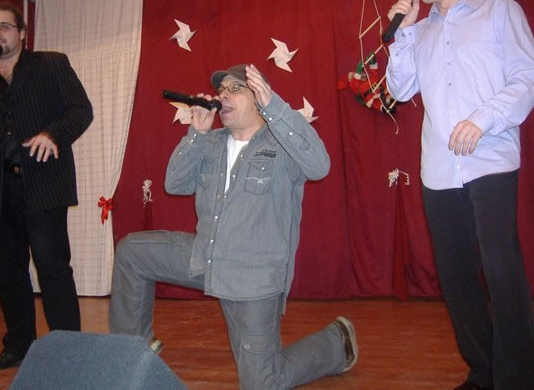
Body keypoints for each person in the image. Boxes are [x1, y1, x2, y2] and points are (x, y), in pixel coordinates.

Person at [109, 64, 358, 389]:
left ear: (259, 97)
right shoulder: (211, 142)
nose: (223, 95)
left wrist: (275, 107)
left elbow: (320, 166)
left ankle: (336, 342)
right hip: (205, 257)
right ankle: (134, 348)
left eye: (235, 89)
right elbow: (175, 183)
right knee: (132, 253)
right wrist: (196, 134)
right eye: (221, 90)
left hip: (251, 278)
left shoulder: (282, 144)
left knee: (262, 383)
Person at [385, 0, 534, 389]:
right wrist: (402, 33)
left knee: (501, 270)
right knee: (457, 277)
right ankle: (483, 372)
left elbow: (526, 77)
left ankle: (518, 378)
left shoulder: (499, 11)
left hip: (490, 160)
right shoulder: (420, 32)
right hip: (439, 171)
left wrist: (483, 119)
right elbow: (399, 89)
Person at [0, 2, 93, 371]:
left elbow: (81, 110)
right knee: (8, 272)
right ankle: (18, 347)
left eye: (4, 26)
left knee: (52, 268)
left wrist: (53, 134)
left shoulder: (51, 64)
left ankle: (69, 351)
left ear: (22, 33)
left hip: (43, 183)